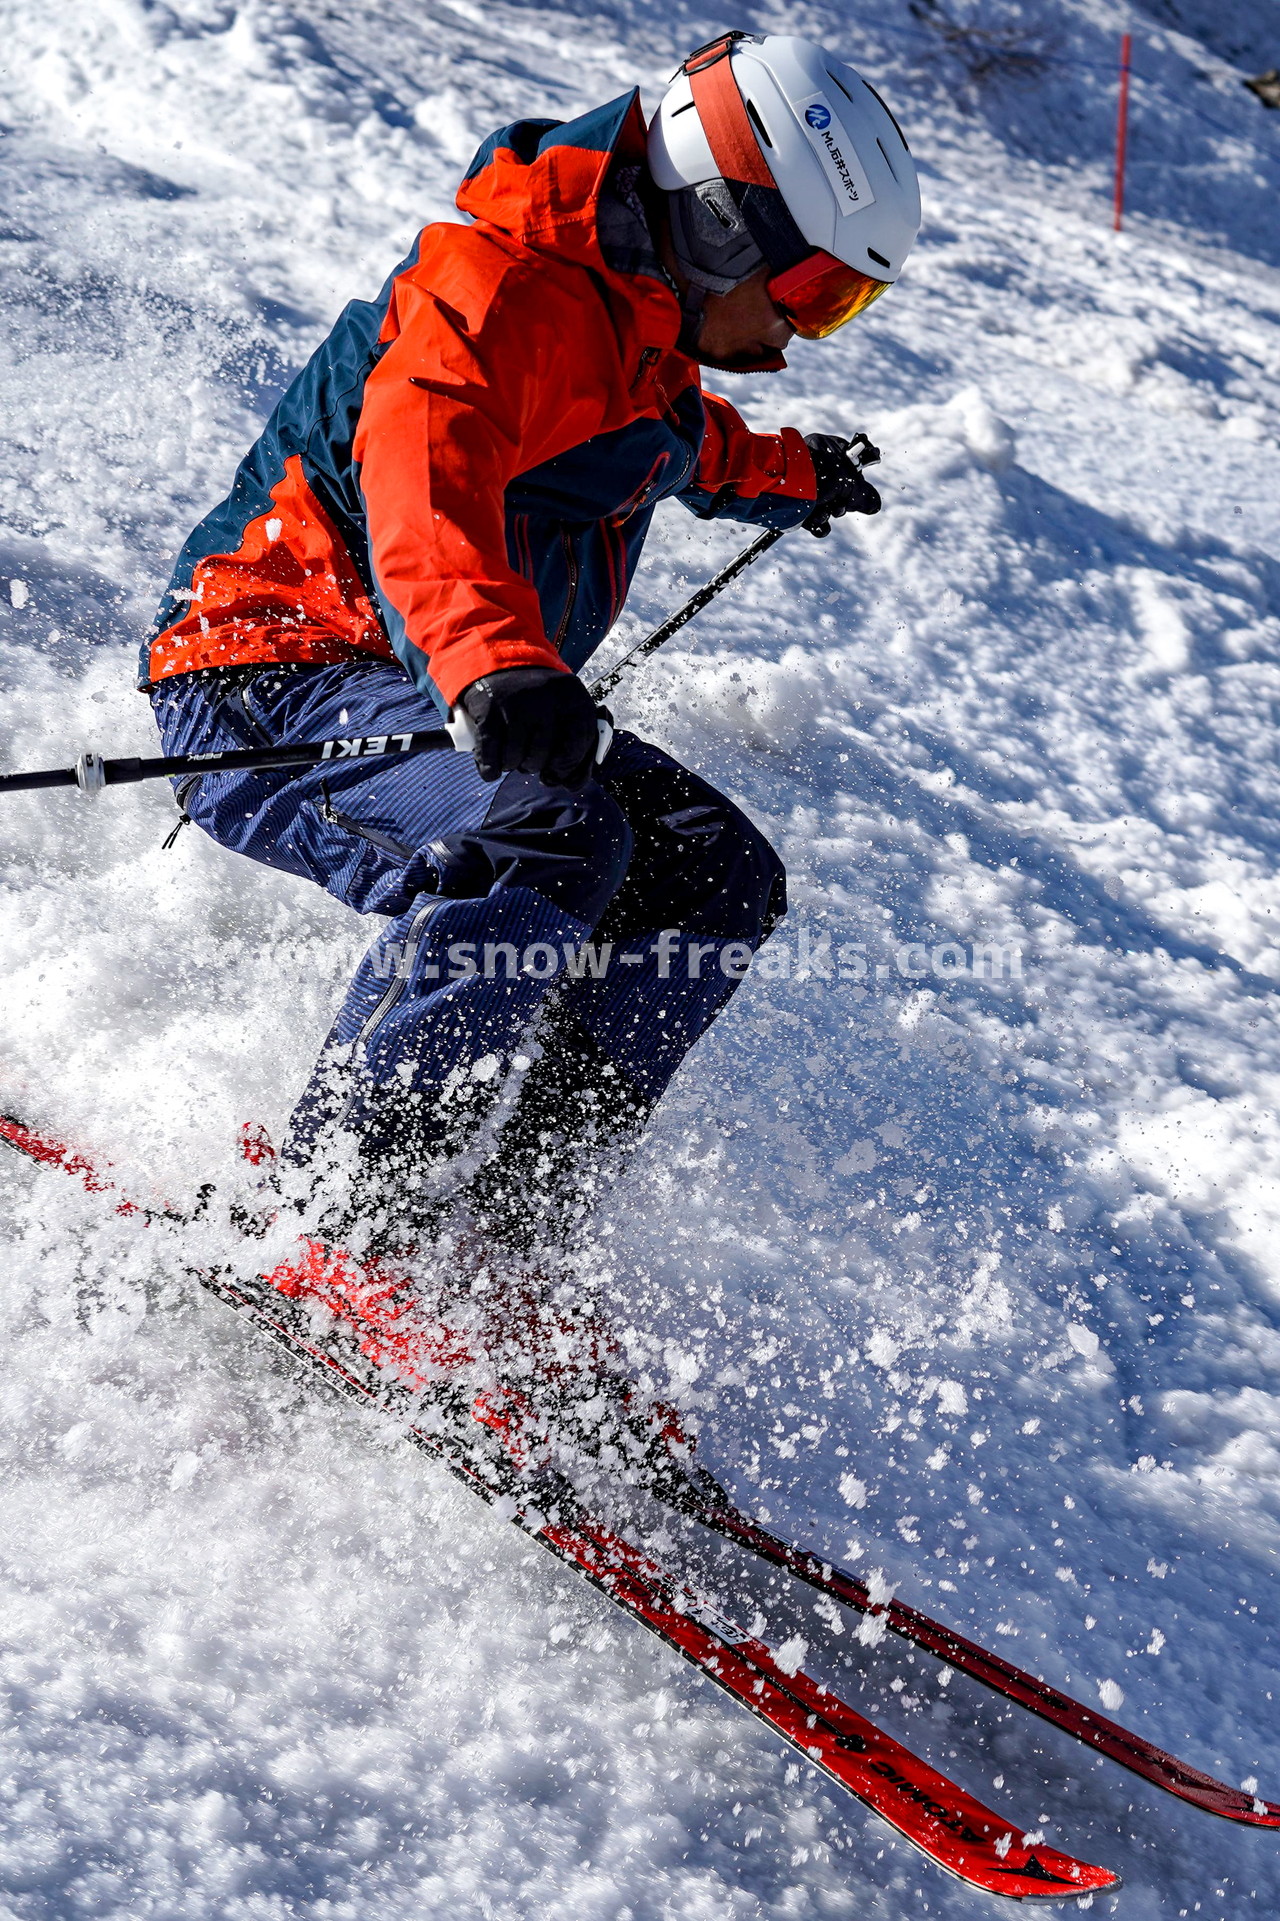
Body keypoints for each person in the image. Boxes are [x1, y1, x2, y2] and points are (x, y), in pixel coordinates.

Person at [141, 31, 921, 1259]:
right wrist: (490, 658)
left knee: (712, 878)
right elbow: (419, 471)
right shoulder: (492, 290)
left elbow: (667, 442)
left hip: (416, 685)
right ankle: (332, 1220)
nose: (796, 336)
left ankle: (508, 1235)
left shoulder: (637, 319)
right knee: (541, 832)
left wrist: (791, 474)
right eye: (816, 292)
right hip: (268, 674)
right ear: (724, 221)